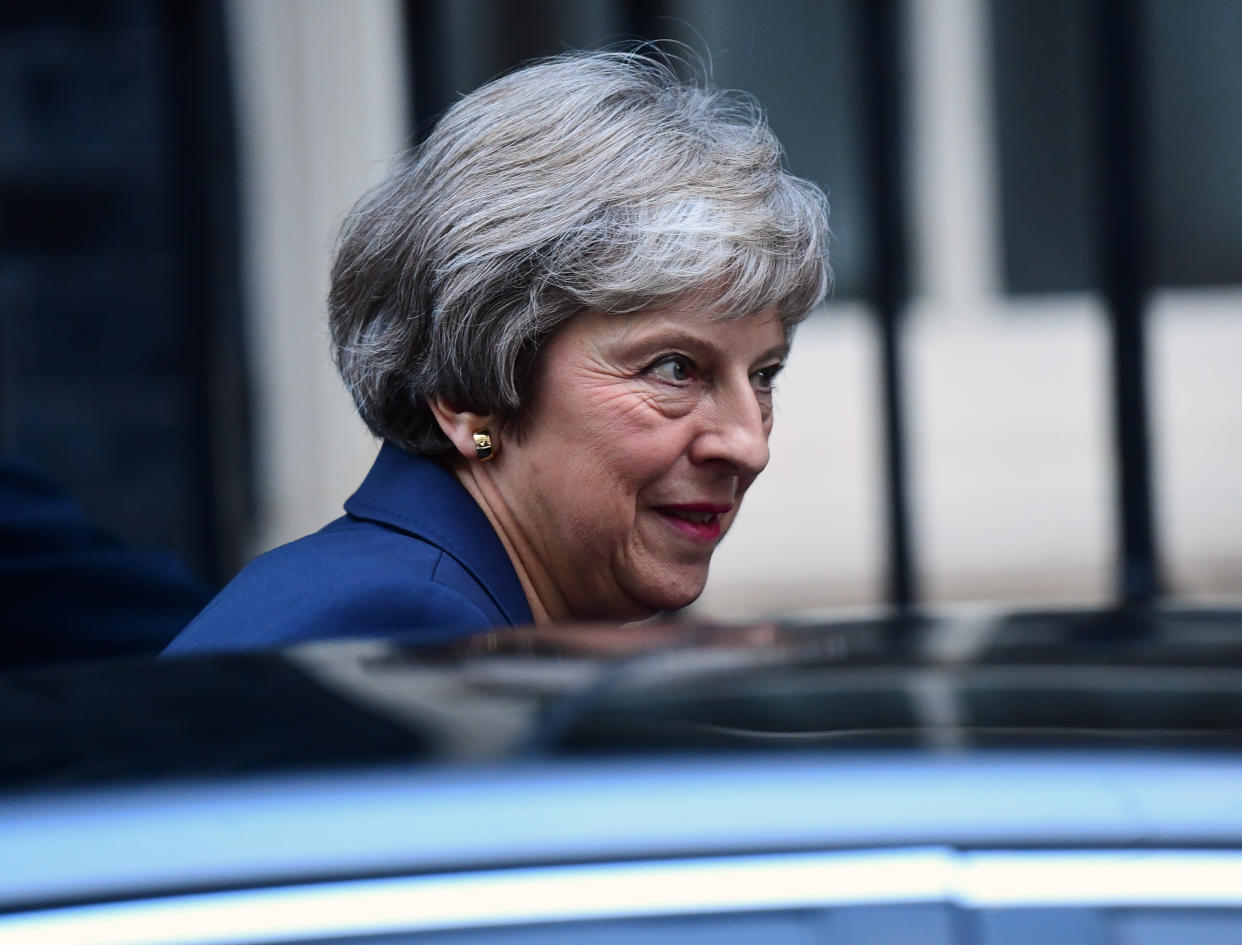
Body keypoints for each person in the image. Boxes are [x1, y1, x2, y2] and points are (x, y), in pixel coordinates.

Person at [165, 51, 829, 656]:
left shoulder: (425, 595)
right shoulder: (405, 627)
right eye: (675, 369)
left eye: (764, 373)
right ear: (469, 399)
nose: (748, 445)